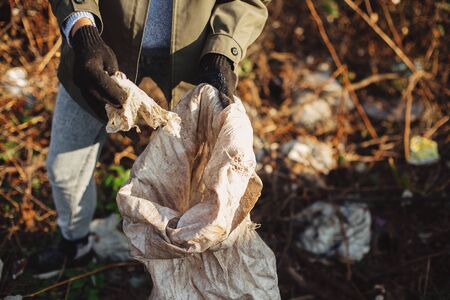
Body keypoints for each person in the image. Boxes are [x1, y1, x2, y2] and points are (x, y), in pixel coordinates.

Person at [29, 0, 270, 275]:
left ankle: (176, 267)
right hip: (99, 50)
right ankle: (75, 245)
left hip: (190, 68)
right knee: (64, 168)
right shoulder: (88, 43)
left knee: (193, 186)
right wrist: (82, 30)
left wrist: (223, 51)